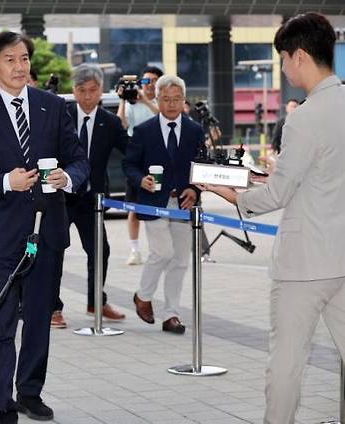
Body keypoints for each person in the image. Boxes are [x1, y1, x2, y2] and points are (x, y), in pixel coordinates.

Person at [203, 13, 345, 423]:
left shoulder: (304, 118)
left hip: (303, 264)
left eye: (283, 58)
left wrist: (233, 193)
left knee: (286, 363)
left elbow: (278, 195)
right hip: (342, 256)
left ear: (299, 56)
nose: (282, 67)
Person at [0, 31, 88, 424]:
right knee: (0, 320)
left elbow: (79, 158)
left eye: (24, 59)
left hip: (46, 230)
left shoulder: (53, 106)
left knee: (37, 318)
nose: (19, 66)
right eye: (10, 60)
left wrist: (69, 177)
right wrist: (3, 181)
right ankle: (3, 404)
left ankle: (30, 392)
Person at [124, 75, 204, 335]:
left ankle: (171, 315)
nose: (171, 104)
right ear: (157, 99)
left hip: (183, 203)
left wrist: (194, 189)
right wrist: (141, 180)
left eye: (176, 99)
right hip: (153, 201)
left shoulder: (194, 130)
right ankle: (143, 295)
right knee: (163, 252)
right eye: (166, 99)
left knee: (180, 260)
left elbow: (201, 167)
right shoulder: (144, 130)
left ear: (184, 100)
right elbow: (130, 165)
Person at [51, 64, 127, 329]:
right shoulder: (62, 115)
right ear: (73, 91)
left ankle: (96, 302)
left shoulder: (111, 122)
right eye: (81, 90)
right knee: (54, 250)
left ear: (101, 91)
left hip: (91, 199)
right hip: (60, 196)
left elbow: (132, 153)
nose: (86, 96)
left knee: (100, 251)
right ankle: (53, 308)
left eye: (92, 90)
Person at [117, 65, 163, 266]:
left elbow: (163, 117)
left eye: (153, 81)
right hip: (136, 160)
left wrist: (145, 100)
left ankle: (158, 250)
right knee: (133, 208)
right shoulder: (131, 103)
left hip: (157, 160)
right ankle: (135, 250)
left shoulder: (161, 102)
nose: (149, 85)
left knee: (157, 207)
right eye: (145, 81)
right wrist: (122, 99)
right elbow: (122, 125)